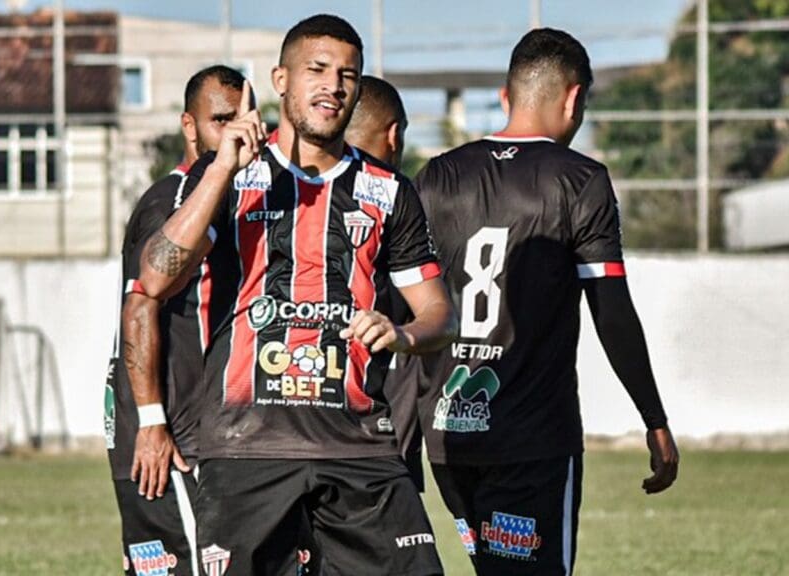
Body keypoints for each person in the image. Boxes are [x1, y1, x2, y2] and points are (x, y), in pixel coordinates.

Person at [139, 14, 456, 576]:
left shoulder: (387, 191)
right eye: (318, 70)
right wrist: (221, 171)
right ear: (280, 80)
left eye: (348, 75)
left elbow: (438, 315)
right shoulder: (229, 175)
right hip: (247, 448)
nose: (333, 86)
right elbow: (158, 277)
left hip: (360, 448)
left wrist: (402, 333)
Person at [413, 28, 680, 575]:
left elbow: (402, 308)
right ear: (574, 97)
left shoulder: (437, 175)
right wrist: (654, 419)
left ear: (507, 97)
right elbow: (612, 312)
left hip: (448, 439)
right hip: (530, 441)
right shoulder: (581, 180)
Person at [106, 64, 245, 576]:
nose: (232, 134)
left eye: (242, 121)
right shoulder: (174, 201)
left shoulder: (231, 196)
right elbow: (140, 304)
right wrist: (151, 422)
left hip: (194, 435)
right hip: (168, 440)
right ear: (190, 126)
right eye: (219, 121)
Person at [344, 74, 425, 491]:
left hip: (283, 428)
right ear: (394, 135)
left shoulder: (290, 191)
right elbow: (433, 314)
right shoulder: (399, 198)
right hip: (380, 424)